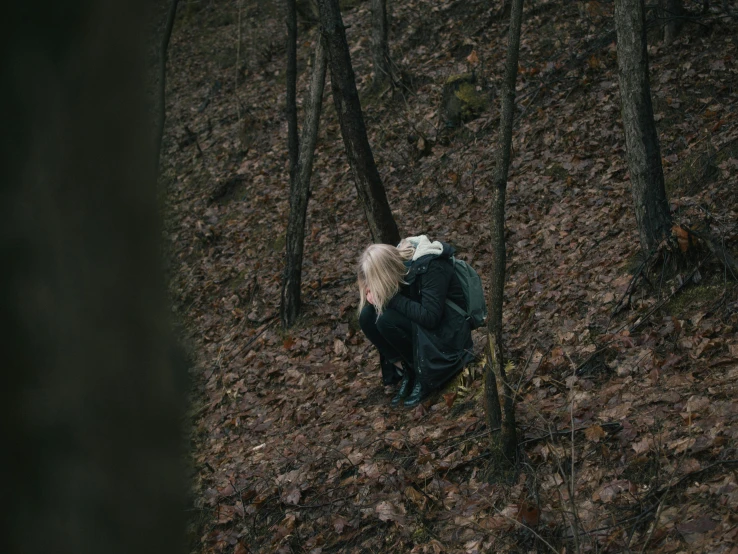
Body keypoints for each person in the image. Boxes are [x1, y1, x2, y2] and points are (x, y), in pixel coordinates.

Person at [357, 235, 474, 407]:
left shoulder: (431, 265)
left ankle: (423, 374)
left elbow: (431, 318)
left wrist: (389, 297)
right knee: (367, 316)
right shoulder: (401, 268)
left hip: (450, 333)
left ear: (385, 273)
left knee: (386, 319)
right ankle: (408, 370)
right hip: (427, 331)